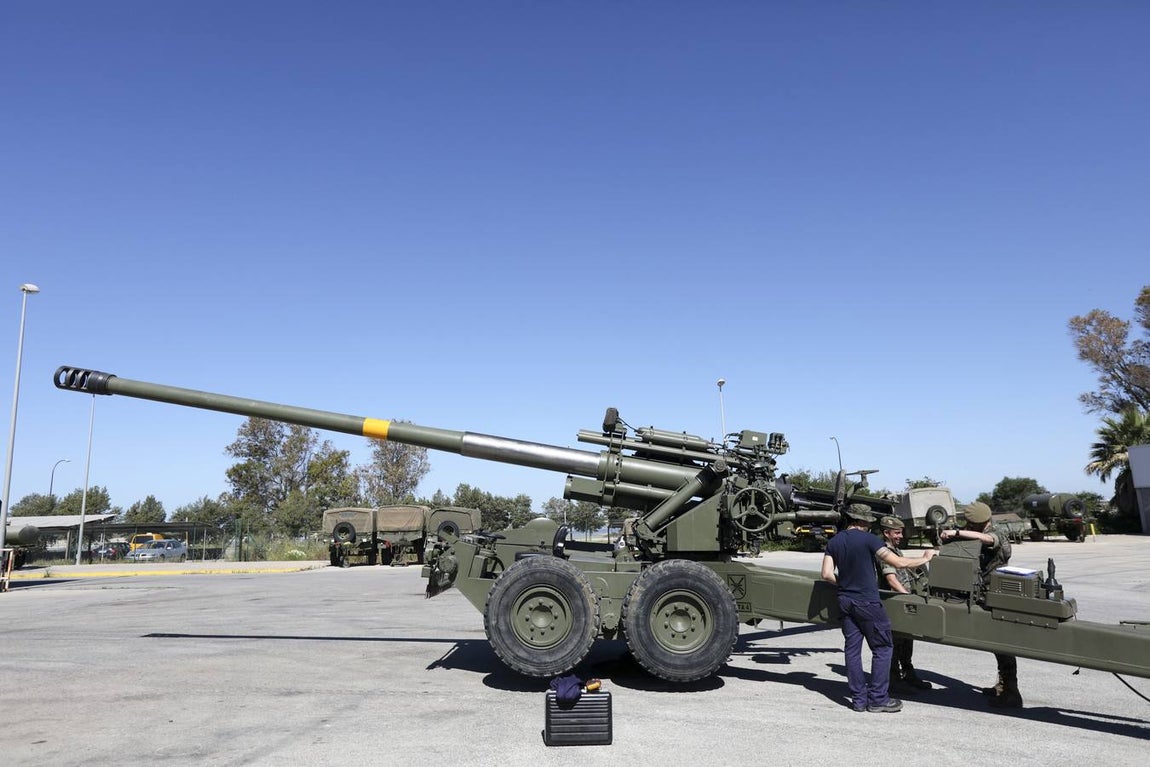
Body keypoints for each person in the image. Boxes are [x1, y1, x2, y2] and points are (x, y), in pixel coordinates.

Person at [821, 504, 937, 713]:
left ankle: (858, 699)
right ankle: (878, 699)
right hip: (867, 601)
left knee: (852, 650)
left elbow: (827, 574)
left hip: (845, 600)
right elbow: (898, 562)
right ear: (864, 521)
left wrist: (845, 584)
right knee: (883, 648)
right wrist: (925, 559)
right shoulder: (870, 540)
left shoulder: (834, 541)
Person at [939, 501, 1022, 708]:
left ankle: (1011, 692)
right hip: (984, 593)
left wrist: (958, 533)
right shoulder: (975, 529)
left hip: (997, 595)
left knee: (1002, 644)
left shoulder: (997, 532)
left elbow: (987, 539)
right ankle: (1003, 686)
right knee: (996, 644)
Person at [875, 515, 932, 694]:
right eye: (897, 533)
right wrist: (906, 596)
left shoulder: (894, 550)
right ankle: (893, 679)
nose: (900, 536)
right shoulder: (884, 552)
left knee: (906, 640)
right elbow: (891, 579)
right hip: (895, 602)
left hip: (902, 601)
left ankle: (908, 673)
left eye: (901, 533)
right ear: (886, 533)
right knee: (894, 642)